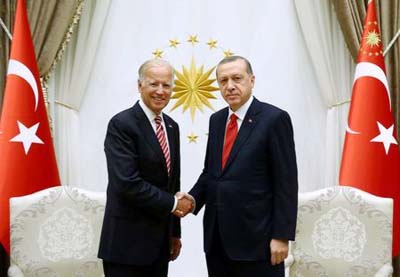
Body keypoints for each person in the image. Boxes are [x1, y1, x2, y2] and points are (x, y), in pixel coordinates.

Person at [184, 55, 298, 276]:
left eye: (237, 78)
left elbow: (286, 182)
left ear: (252, 80)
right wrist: (191, 200)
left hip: (259, 240)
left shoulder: (274, 119)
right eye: (223, 81)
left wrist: (281, 236)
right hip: (217, 238)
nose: (230, 86)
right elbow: (212, 173)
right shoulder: (217, 121)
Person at [98, 59, 193, 277]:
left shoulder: (171, 126)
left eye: (166, 85)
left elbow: (173, 183)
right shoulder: (122, 124)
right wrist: (174, 204)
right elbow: (126, 183)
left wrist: (174, 233)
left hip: (159, 246)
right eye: (154, 84)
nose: (160, 91)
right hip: (126, 246)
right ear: (140, 86)